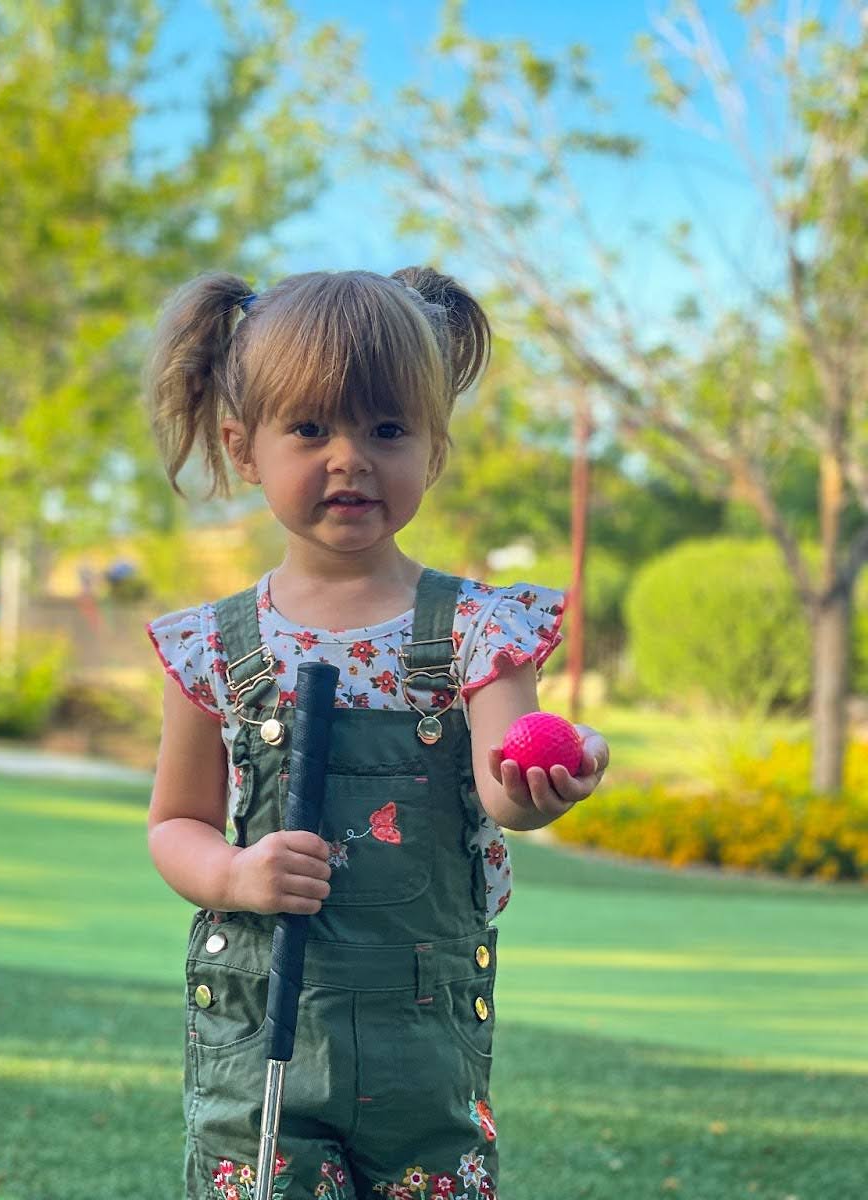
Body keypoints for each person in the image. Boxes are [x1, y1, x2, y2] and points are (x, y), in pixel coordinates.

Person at [143, 268, 610, 1199]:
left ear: (433, 450)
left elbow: (503, 789)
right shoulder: (212, 646)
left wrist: (548, 780)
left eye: (388, 430)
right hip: (263, 1030)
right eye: (311, 429)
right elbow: (175, 824)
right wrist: (236, 875)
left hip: (422, 1039)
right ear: (243, 448)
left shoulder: (477, 630)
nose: (350, 458)